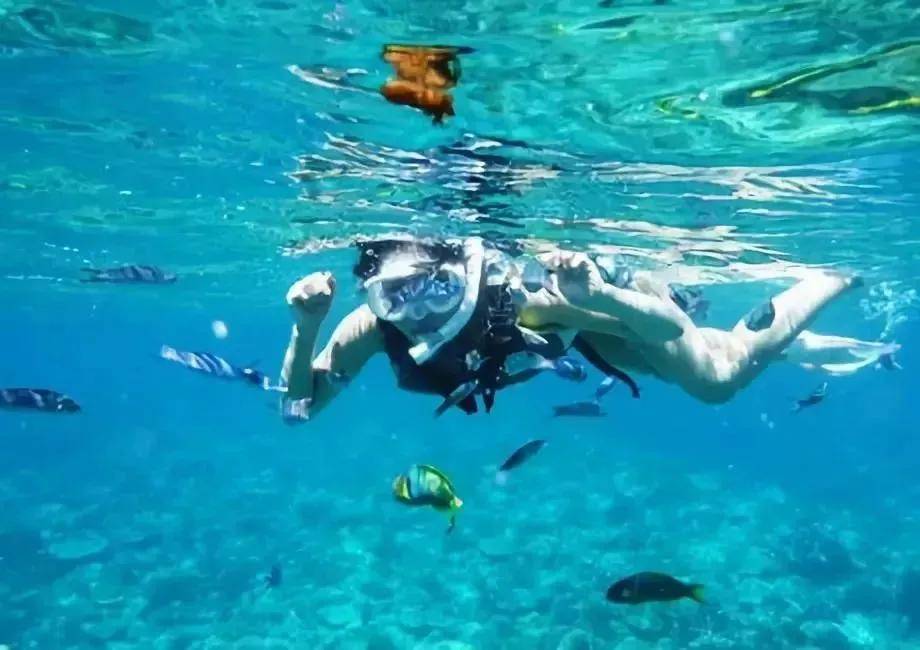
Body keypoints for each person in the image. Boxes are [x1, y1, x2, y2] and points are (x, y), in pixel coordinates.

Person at [278, 236, 888, 420]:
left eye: (436, 287)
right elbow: (298, 410)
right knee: (688, 369)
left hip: (600, 302)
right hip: (577, 332)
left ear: (458, 274)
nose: (420, 311)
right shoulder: (371, 329)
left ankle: (830, 279)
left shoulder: (520, 296)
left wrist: (598, 295)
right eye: (394, 297)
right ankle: (782, 346)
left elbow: (666, 331)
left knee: (716, 378)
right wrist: (306, 328)